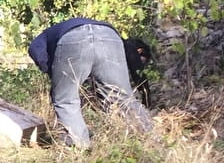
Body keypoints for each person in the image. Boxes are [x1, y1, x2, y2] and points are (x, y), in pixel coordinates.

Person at [27, 17, 152, 148]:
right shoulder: (56, 31)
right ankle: (153, 139)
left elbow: (34, 48)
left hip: (73, 38)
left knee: (66, 100)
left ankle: (79, 146)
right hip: (109, 35)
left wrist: (52, 72)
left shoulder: (42, 38)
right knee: (123, 97)